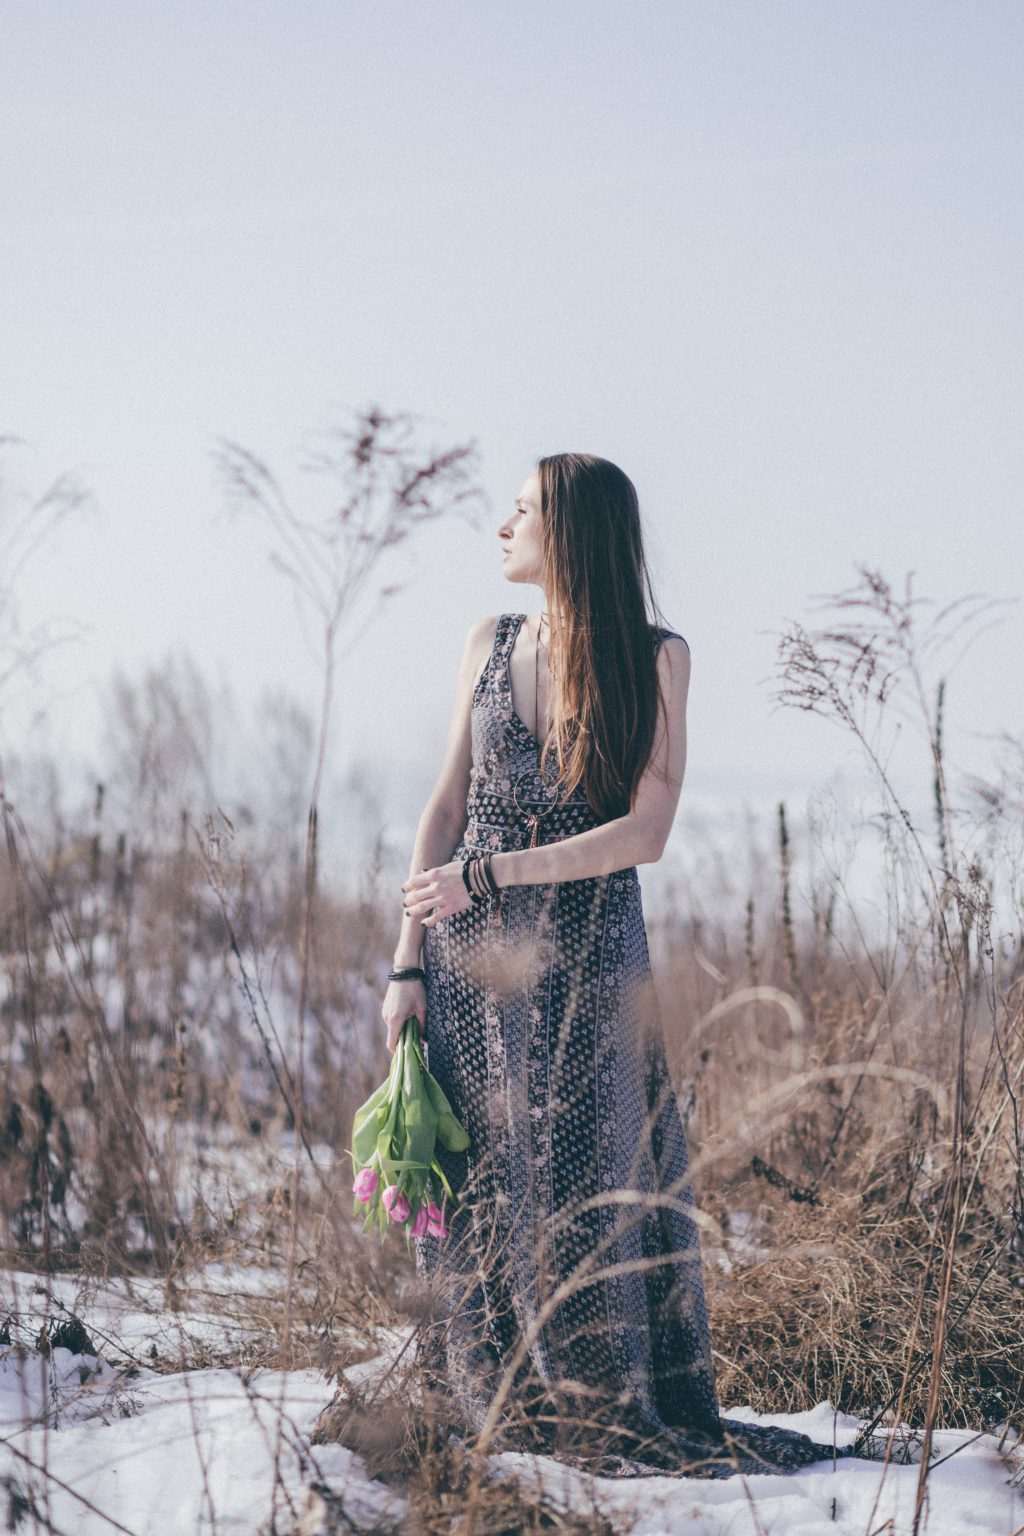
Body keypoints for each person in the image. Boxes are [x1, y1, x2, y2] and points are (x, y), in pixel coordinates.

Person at [382, 454, 844, 1478]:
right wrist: (403, 969)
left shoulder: (656, 656)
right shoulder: (486, 642)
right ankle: (484, 1396)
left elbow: (647, 829)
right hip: (465, 955)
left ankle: (594, 1405)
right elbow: (445, 809)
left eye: (520, 511)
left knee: (596, 1175)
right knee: (477, 1178)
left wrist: (494, 876)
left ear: (572, 531)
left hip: (590, 952)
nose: (499, 526)